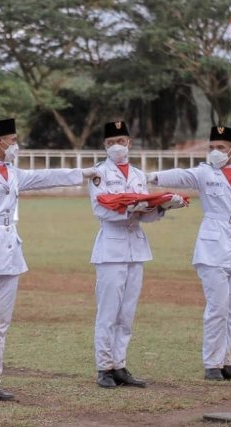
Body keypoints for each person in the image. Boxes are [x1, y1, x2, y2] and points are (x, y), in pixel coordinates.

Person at [0, 118, 99, 401]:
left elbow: (45, 178)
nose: (15, 145)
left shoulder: (11, 172)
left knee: (0, 323)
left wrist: (81, 173)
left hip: (9, 252)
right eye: (13, 139)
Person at [148, 125, 231, 382]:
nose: (215, 152)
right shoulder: (204, 174)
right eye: (212, 147)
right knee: (217, 307)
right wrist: (153, 177)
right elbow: (181, 176)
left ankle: (225, 361)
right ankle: (211, 364)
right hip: (212, 247)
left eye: (221, 147)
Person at [88, 121, 185, 389]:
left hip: (136, 247)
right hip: (111, 249)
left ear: (130, 142)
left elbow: (147, 215)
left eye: (121, 140)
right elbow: (101, 211)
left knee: (127, 313)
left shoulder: (138, 174)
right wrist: (131, 209)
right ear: (104, 146)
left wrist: (164, 207)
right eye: (110, 142)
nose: (116, 146)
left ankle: (119, 365)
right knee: (108, 312)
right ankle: (104, 367)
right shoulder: (99, 174)